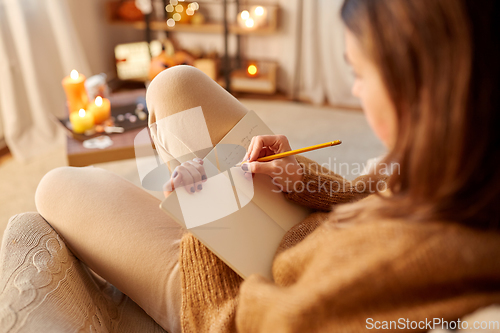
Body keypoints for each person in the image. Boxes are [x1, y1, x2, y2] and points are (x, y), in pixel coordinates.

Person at [34, 0, 500, 332]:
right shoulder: (464, 157)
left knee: (55, 187)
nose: (355, 93)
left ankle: (177, 207)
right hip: (303, 228)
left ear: (418, 90)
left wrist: (203, 227)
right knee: (176, 84)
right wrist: (299, 176)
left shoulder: (409, 265)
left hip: (237, 291)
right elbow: (368, 197)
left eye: (359, 74)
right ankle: (184, 192)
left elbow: (247, 322)